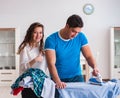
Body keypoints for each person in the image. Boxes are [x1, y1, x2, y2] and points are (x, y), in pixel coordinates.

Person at [44, 14, 100, 97]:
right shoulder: (51, 40)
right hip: (59, 78)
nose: (75, 35)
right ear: (67, 26)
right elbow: (51, 64)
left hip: (76, 77)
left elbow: (88, 56)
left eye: (78, 32)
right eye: (73, 31)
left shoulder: (81, 37)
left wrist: (95, 67)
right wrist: (58, 81)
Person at [17, 22, 48, 98]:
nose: (38, 35)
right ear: (31, 33)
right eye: (35, 32)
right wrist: (35, 59)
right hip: (29, 85)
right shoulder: (25, 48)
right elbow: (22, 67)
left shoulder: (43, 47)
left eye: (40, 33)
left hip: (41, 83)